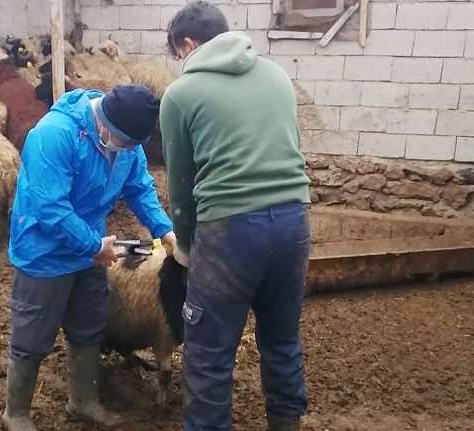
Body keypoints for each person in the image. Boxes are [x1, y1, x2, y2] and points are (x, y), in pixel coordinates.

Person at [160, 2, 312, 431]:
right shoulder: (278, 75)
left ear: (188, 44)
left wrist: (186, 250)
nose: (179, 63)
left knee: (208, 355)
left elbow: (181, 188)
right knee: (282, 340)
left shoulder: (182, 94)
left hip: (229, 232)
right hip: (294, 222)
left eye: (177, 53)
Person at [2, 84, 177, 430]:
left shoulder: (125, 141)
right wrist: (95, 246)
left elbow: (139, 186)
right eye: (124, 142)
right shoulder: (53, 135)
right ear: (102, 123)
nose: (127, 150)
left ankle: (82, 400)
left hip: (90, 249)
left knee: (89, 325)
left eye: (133, 145)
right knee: (33, 332)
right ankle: (16, 414)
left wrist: (164, 230)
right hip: (44, 252)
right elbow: (51, 208)